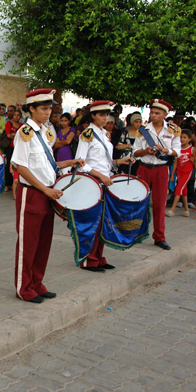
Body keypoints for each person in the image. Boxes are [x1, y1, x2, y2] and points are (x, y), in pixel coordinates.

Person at [11, 89, 83, 303]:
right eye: (43, 108)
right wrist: (45, 189)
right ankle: (24, 288)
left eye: (50, 108)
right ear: (31, 108)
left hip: (47, 193)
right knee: (28, 242)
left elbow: (48, 165)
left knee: (43, 242)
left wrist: (69, 163)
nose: (47, 112)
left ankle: (37, 283)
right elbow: (21, 166)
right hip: (32, 194)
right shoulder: (25, 132)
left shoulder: (45, 132)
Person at [75, 101, 134, 272]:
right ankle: (88, 259)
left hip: (105, 180)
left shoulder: (104, 134)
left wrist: (119, 161)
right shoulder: (88, 134)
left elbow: (104, 162)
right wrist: (101, 176)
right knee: (92, 222)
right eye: (101, 115)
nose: (105, 118)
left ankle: (98, 257)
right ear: (93, 115)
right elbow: (80, 163)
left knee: (102, 222)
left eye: (107, 115)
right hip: (94, 182)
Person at [133, 99, 181, 250]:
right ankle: (136, 233)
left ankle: (159, 237)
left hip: (161, 169)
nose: (153, 115)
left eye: (157, 113)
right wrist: (146, 151)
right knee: (139, 201)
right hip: (144, 168)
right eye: (152, 112)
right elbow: (135, 152)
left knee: (160, 204)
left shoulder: (173, 130)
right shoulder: (143, 130)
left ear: (165, 114)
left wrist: (166, 151)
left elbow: (177, 151)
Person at [167, 129, 195, 217]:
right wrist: (172, 175)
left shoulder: (192, 149)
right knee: (184, 191)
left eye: (184, 137)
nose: (182, 139)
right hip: (179, 172)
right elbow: (175, 163)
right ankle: (186, 210)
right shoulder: (178, 150)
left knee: (178, 189)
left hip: (187, 172)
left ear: (189, 139)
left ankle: (172, 209)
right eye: (181, 137)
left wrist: (194, 164)